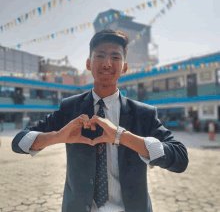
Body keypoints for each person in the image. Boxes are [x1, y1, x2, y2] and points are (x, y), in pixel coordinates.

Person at [12, 29, 188, 212]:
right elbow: (19, 142)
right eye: (100, 55)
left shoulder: (143, 114)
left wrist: (121, 136)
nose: (107, 63)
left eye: (115, 57)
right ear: (89, 64)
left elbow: (180, 158)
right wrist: (57, 136)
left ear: (125, 67)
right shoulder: (70, 108)